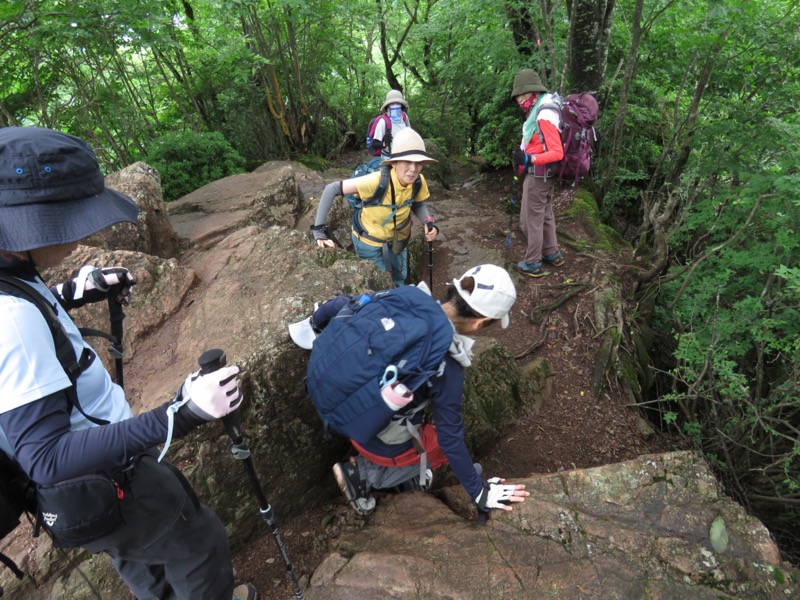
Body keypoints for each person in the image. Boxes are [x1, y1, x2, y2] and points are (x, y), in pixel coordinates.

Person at [0, 127, 256, 600]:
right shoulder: (10, 317)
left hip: (83, 502)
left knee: (133, 551)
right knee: (198, 543)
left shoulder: (10, 277)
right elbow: (47, 457)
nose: (84, 233)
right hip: (103, 474)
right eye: (72, 219)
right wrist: (180, 414)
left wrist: (72, 293)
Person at [327, 264, 529, 517]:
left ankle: (396, 468)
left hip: (338, 406)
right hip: (370, 435)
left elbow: (344, 305)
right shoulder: (446, 364)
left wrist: (314, 322)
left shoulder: (406, 299)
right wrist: (480, 492)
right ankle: (365, 474)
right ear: (481, 322)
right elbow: (450, 438)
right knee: (441, 447)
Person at [312, 127, 439, 288]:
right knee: (380, 286)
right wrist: (318, 231)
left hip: (398, 238)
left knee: (400, 278)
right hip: (369, 241)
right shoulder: (377, 181)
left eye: (418, 163)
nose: (413, 169)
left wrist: (428, 221)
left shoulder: (418, 181)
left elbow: (418, 203)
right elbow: (332, 188)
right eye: (407, 161)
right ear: (394, 163)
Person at [510, 68, 566, 278]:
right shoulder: (544, 109)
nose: (519, 100)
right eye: (518, 96)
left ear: (534, 93)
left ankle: (533, 262)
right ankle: (551, 252)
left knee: (530, 220)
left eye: (523, 95)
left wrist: (529, 159)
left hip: (539, 175)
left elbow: (557, 152)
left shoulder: (543, 115)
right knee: (546, 214)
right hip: (546, 175)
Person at [370, 89, 411, 161]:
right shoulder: (383, 122)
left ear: (401, 105)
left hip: (404, 156)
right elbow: (374, 144)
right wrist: (384, 143)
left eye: (397, 103)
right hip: (388, 159)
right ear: (387, 106)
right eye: (392, 104)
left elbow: (410, 134)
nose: (395, 105)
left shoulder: (404, 117)